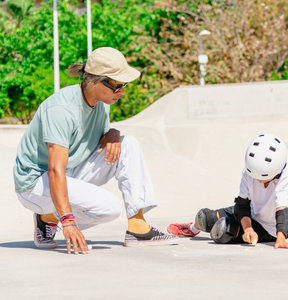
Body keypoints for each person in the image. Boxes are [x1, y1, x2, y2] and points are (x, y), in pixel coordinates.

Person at [13, 47, 179, 254]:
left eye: (124, 85)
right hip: (36, 183)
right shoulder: (61, 110)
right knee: (109, 208)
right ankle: (46, 217)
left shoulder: (102, 103)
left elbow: (85, 139)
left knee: (129, 144)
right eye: (117, 86)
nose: (122, 92)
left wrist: (112, 134)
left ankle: (138, 227)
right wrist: (68, 221)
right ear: (95, 81)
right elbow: (55, 171)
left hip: (69, 169)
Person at [167, 134, 288, 249]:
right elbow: (242, 205)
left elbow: (282, 209)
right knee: (204, 218)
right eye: (256, 177)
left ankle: (234, 229)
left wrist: (281, 239)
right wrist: (248, 228)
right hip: (252, 211)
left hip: (270, 228)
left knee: (221, 231)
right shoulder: (249, 171)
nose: (258, 181)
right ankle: (192, 229)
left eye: (263, 179)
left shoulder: (285, 176)